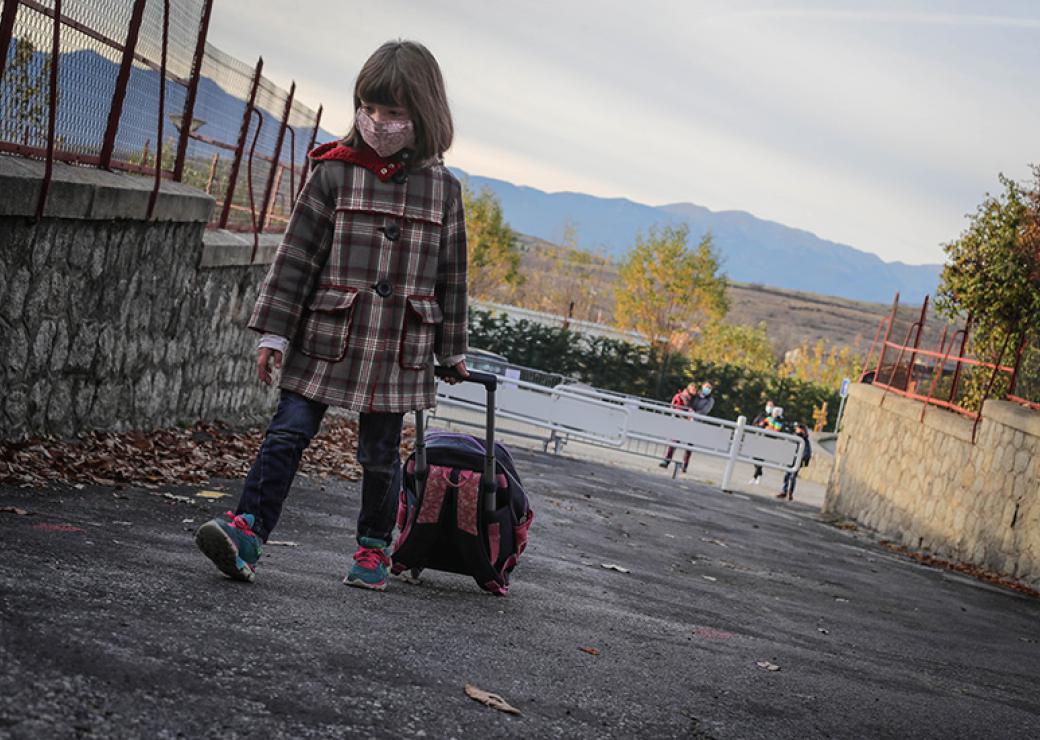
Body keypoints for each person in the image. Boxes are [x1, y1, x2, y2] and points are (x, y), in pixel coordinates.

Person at [194, 41, 469, 591]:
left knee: (381, 455)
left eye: (393, 113)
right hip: (327, 333)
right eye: (369, 108)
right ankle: (248, 530)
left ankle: (373, 548)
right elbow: (297, 253)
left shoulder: (444, 191)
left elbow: (454, 275)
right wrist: (274, 330)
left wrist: (452, 349)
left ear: (425, 113)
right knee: (287, 431)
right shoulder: (334, 173)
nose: (378, 123)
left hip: (398, 347)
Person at [659, 381, 714, 473]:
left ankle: (685, 465)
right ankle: (667, 460)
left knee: (689, 445)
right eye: (706, 387)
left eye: (709, 388)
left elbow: (705, 410)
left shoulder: (710, 400)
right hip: (685, 420)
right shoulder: (696, 394)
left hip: (696, 422)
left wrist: (694, 414)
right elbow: (688, 402)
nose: (707, 389)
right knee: (675, 440)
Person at [779, 423, 812, 500]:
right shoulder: (794, 436)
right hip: (791, 458)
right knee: (787, 475)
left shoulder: (805, 439)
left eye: (799, 428)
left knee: (792, 476)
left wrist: (803, 459)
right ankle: (784, 491)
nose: (798, 430)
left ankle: (790, 492)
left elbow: (807, 451)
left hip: (798, 460)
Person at [747, 399, 774, 485]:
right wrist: (759, 425)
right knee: (755, 458)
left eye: (771, 406)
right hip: (758, 437)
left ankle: (755, 476)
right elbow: (754, 423)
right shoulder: (761, 415)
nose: (769, 407)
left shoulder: (774, 418)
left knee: (761, 458)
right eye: (768, 405)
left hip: (767, 439)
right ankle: (759, 474)